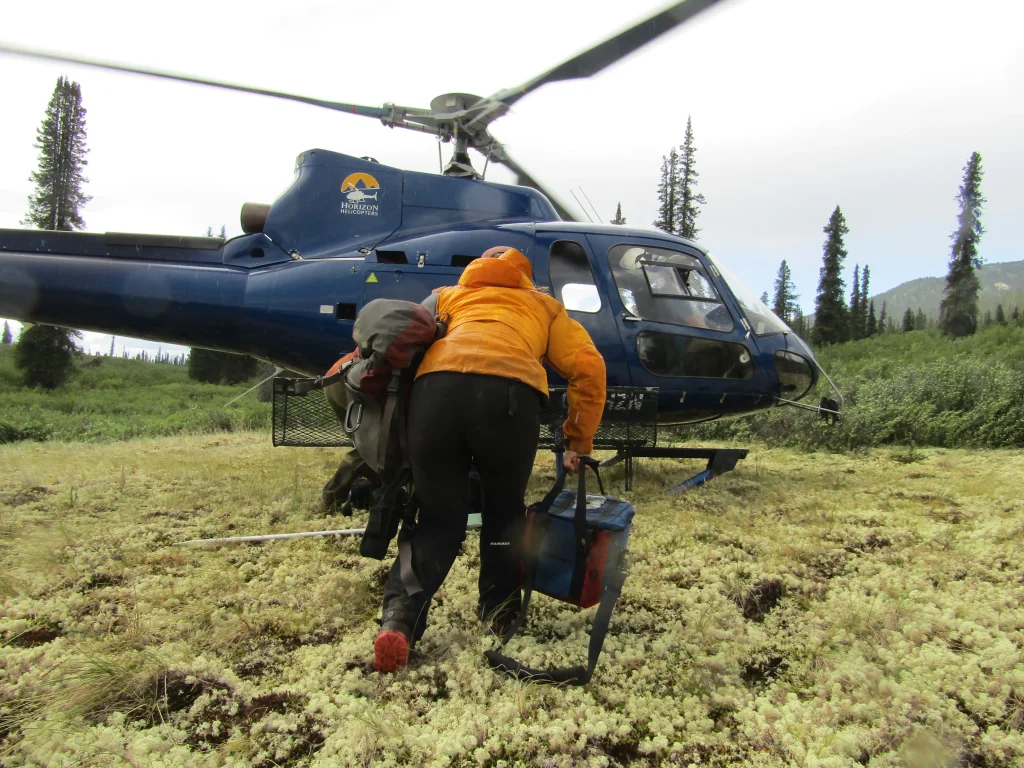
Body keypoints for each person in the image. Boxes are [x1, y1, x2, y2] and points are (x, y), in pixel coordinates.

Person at [373, 246, 607, 672]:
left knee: (438, 521)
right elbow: (588, 366)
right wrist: (577, 441)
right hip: (508, 400)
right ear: (525, 276)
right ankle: (500, 615)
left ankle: (400, 621)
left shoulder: (446, 296)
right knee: (503, 514)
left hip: (435, 398)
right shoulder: (543, 304)